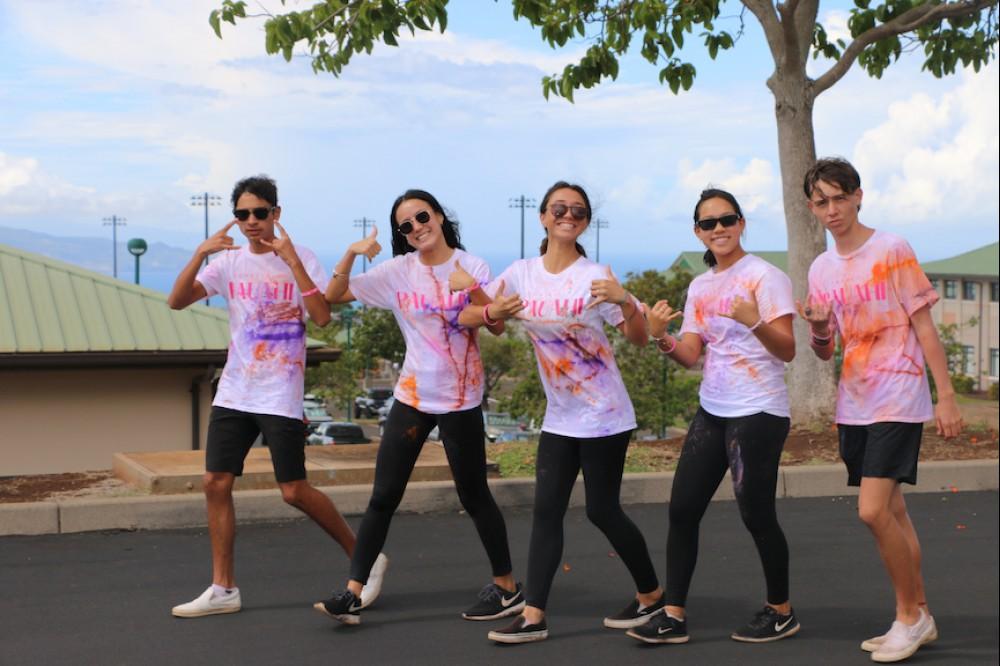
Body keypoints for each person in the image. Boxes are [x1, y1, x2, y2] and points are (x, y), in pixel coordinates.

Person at [167, 175, 383, 618]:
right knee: (215, 482)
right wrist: (200, 254)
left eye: (260, 212)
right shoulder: (228, 263)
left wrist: (292, 262)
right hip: (235, 391)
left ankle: (365, 557)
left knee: (293, 491)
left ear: (275, 214)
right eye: (242, 214)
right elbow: (177, 300)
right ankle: (223, 589)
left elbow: (322, 317)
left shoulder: (300, 256)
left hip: (279, 392)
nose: (251, 221)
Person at [460, 181, 664, 644]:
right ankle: (534, 615)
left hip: (606, 413)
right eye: (559, 208)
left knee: (602, 511)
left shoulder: (595, 276)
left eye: (578, 211)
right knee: (546, 512)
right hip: (561, 416)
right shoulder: (521, 273)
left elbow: (637, 338)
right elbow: (471, 317)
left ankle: (651, 594)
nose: (568, 216)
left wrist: (625, 300)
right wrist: (490, 307)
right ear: (543, 217)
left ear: (585, 222)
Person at [314, 189, 522, 626]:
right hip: (412, 397)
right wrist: (351, 253)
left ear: (440, 216)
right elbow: (333, 295)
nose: (416, 228)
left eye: (422, 217)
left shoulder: (472, 266)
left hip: (460, 399)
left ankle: (507, 588)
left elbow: (497, 325)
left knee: (473, 495)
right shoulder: (398, 272)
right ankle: (353, 591)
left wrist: (473, 289)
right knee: (383, 496)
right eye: (405, 226)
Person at [798, 157, 961, 663]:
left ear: (858, 196)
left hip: (899, 396)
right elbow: (825, 349)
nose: (831, 209)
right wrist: (819, 327)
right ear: (811, 207)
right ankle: (921, 613)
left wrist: (946, 396)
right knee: (893, 511)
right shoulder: (821, 268)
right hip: (855, 402)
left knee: (871, 511)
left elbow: (924, 326)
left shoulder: (891, 249)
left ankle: (907, 618)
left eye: (839, 198)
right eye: (821, 201)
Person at [627, 188, 799, 646]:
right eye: (708, 223)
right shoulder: (700, 286)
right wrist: (661, 336)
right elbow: (690, 354)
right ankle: (673, 615)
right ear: (698, 232)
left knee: (756, 513)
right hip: (714, 407)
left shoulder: (766, 277)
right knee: (682, 509)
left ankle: (781, 611)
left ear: (741, 224)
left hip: (758, 409)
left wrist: (754, 320)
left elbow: (787, 349)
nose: (718, 229)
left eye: (726, 219)